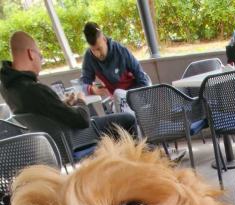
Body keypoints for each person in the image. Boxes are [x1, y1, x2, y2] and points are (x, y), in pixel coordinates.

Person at [0, 32, 137, 140]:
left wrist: (63, 103)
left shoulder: (7, 87)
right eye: (40, 56)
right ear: (31, 53)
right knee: (127, 119)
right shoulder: (35, 89)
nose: (41, 61)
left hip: (50, 143)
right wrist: (81, 100)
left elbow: (41, 110)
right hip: (73, 138)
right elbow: (82, 120)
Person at [81, 22, 150, 97]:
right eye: (93, 50)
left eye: (99, 49)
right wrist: (91, 89)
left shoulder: (121, 50)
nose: (97, 54)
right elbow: (83, 84)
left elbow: (142, 80)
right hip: (116, 98)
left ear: (104, 39)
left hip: (136, 92)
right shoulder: (89, 56)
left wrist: (136, 98)